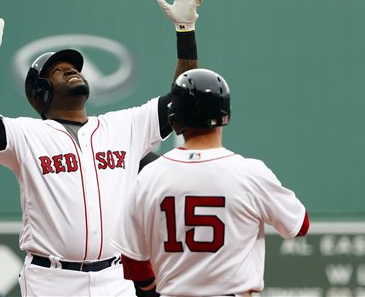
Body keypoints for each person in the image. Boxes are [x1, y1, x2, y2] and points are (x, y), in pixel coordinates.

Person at [0, 0, 207, 297]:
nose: (71, 70)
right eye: (58, 71)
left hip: (115, 278)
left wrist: (185, 32)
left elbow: (183, 99)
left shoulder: (122, 127)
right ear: (40, 93)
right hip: (51, 279)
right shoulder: (27, 134)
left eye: (73, 68)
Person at [111, 68, 311, 297]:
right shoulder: (250, 173)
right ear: (226, 115)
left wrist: (152, 288)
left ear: (174, 121)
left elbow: (133, 261)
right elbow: (300, 225)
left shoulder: (150, 175)